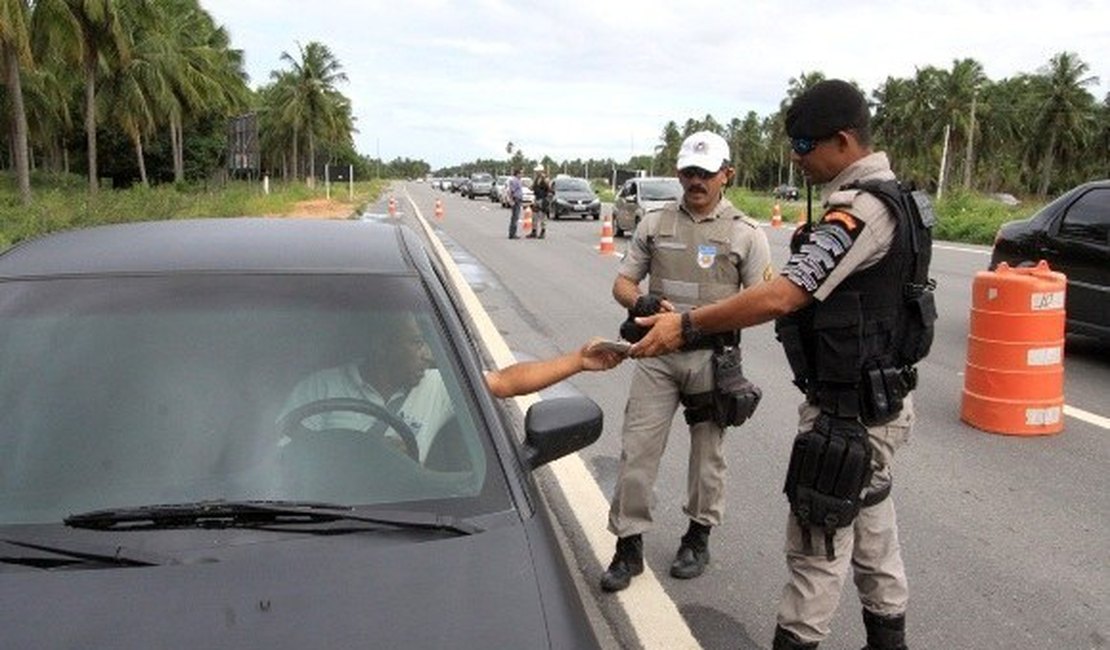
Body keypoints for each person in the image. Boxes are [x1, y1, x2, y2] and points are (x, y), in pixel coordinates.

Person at [630, 80, 935, 650]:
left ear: (843, 141)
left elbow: (784, 296)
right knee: (873, 529)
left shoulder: (862, 213)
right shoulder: (900, 200)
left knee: (816, 546)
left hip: (850, 412)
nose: (796, 155)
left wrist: (689, 325)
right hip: (877, 402)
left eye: (803, 142)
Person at [599, 131, 774, 593]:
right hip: (656, 356)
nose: (696, 181)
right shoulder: (654, 224)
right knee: (637, 449)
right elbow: (622, 284)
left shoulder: (746, 234)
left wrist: (701, 324)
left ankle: (698, 538)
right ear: (679, 174)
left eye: (707, 172)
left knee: (707, 458)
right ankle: (628, 546)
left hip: (712, 360)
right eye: (689, 172)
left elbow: (760, 304)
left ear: (726, 175)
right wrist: (641, 303)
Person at [280, 312, 626, 462]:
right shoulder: (320, 387)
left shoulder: (438, 385)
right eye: (415, 344)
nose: (427, 355)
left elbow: (506, 382)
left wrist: (579, 360)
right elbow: (281, 453)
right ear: (382, 347)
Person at [529, 165, 551, 239]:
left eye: (537, 171)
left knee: (542, 216)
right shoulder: (536, 179)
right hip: (536, 198)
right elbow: (532, 187)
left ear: (540, 171)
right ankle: (534, 231)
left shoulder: (545, 179)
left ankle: (542, 232)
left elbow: (548, 188)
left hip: (543, 199)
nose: (536, 172)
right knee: (534, 216)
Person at [507, 168, 524, 239]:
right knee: (515, 217)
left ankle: (512, 233)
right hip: (516, 200)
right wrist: (511, 200)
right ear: (517, 174)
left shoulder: (517, 180)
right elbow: (512, 191)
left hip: (517, 199)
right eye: (521, 173)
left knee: (515, 217)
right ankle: (512, 234)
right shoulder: (515, 180)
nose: (522, 175)